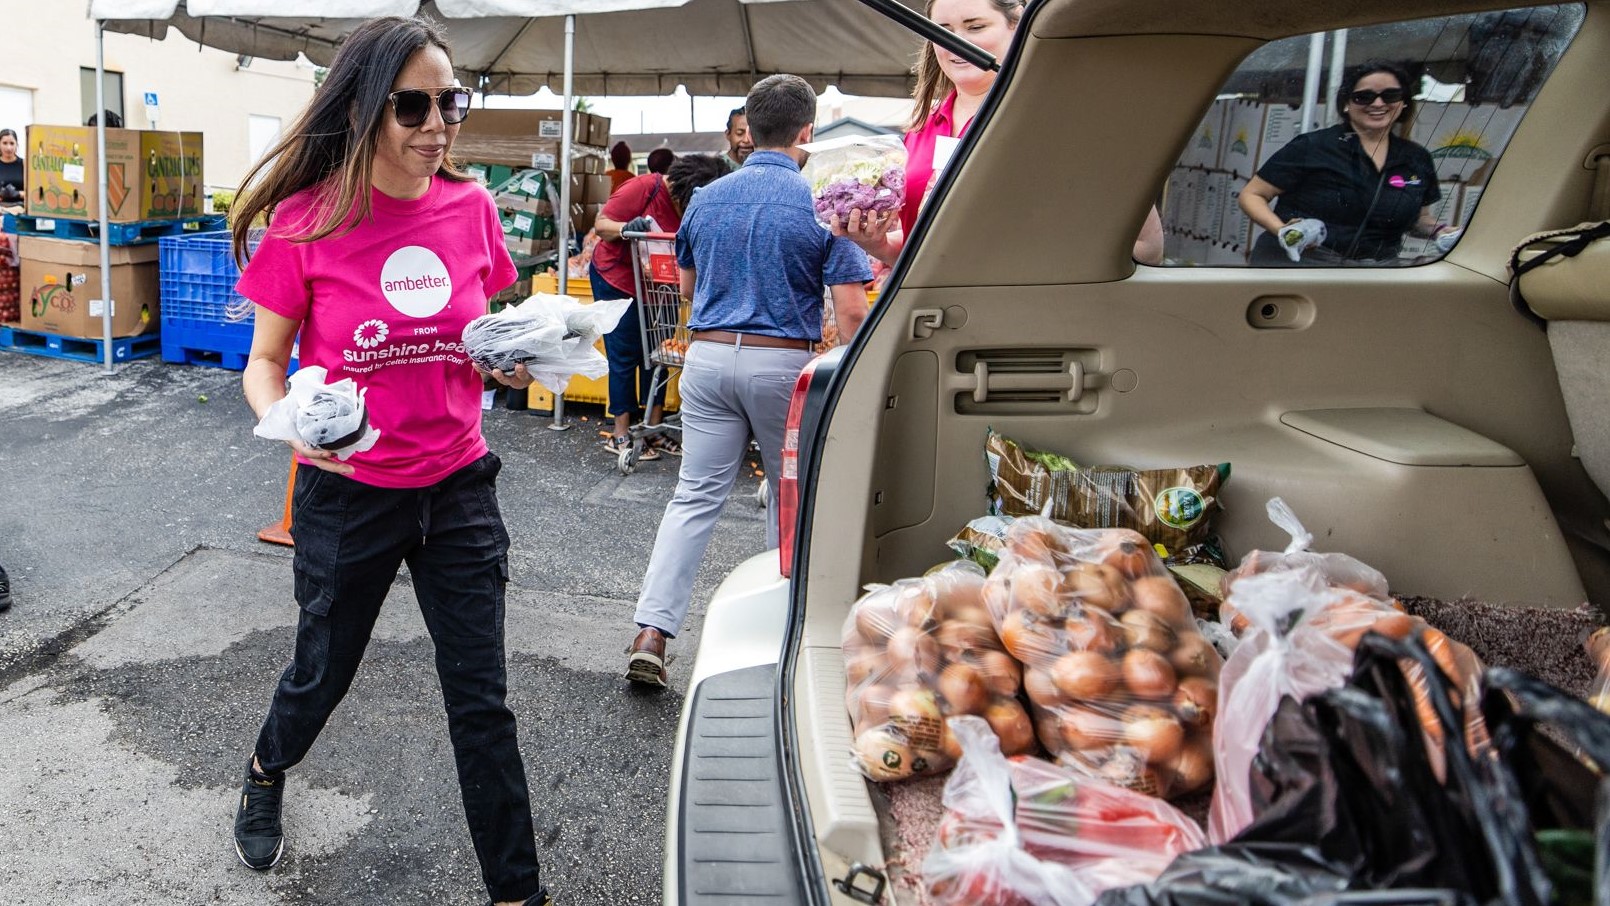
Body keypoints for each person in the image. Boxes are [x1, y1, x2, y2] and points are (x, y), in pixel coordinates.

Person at [228, 17, 549, 906]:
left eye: (453, 101)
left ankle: (519, 894)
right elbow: (265, 364)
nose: (439, 123)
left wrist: (514, 360)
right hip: (348, 494)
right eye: (415, 105)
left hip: (458, 485)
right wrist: (289, 424)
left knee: (481, 702)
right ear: (366, 108)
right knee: (321, 674)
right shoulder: (307, 221)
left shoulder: (473, 209)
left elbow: (487, 341)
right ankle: (265, 768)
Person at [625, 74, 872, 687]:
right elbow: (850, 313)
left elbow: (685, 288)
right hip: (782, 364)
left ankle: (652, 630)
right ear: (806, 133)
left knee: (694, 496)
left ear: (748, 131)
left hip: (707, 361)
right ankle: (776, 632)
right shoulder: (823, 203)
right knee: (787, 499)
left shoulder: (706, 198)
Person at [832, 0, 1164, 266]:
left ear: (1017, 26)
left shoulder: (1059, 117)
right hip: (929, 316)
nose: (955, 43)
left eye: (975, 27)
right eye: (942, 30)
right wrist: (875, 244)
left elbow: (1146, 247)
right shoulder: (923, 129)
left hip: (1018, 318)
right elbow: (918, 254)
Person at [1240, 60, 1451, 266]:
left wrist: (1441, 231)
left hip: (1375, 273)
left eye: (1390, 95)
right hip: (1302, 265)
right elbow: (1252, 194)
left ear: (1404, 102)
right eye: (1364, 97)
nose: (1378, 103)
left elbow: (1419, 219)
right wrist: (1283, 231)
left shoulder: (1416, 157)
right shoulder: (1313, 146)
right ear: (1347, 104)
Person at [591, 153, 730, 458]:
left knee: (659, 354)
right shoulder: (644, 188)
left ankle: (653, 429)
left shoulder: (695, 204)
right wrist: (628, 227)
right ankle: (621, 432)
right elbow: (601, 225)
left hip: (661, 284)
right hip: (618, 279)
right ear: (685, 190)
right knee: (625, 355)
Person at [720, 106, 752, 171]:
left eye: (751, 134)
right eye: (739, 133)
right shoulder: (716, 168)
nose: (746, 140)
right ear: (728, 134)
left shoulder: (765, 167)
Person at [0, 129, 25, 206]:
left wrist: (17, 194)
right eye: (5, 143)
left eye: (12, 143)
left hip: (21, 209)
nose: (8, 148)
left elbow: (34, 194)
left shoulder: (24, 164)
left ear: (16, 145)